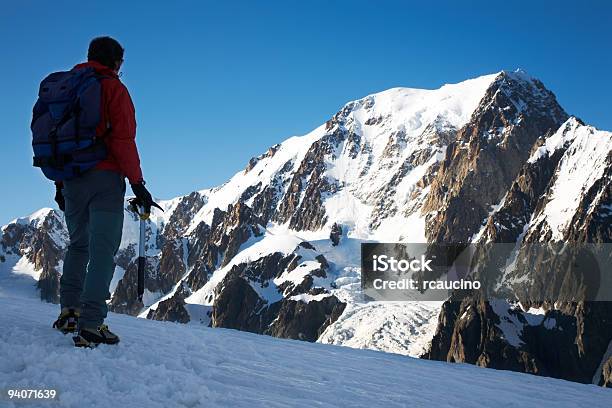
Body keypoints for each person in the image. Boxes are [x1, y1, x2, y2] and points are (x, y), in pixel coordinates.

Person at [50, 36, 158, 347]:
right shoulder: (113, 88)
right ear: (115, 61)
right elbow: (123, 140)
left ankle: (68, 312)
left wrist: (60, 183)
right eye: (121, 63)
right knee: (102, 252)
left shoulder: (67, 87)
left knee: (78, 245)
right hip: (105, 179)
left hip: (70, 179)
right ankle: (92, 324)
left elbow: (57, 140)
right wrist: (138, 184)